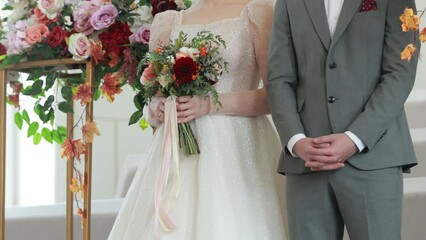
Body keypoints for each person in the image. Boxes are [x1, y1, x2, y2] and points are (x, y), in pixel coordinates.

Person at [108, 0, 288, 239]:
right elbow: (154, 95)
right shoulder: (168, 21)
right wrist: (157, 108)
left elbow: (274, 96)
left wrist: (209, 104)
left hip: (236, 151)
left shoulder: (258, 12)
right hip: (176, 153)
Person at [267, 0, 420, 239]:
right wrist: (296, 141)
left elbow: (400, 73)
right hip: (307, 158)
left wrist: (355, 138)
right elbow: (278, 78)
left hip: (373, 153)